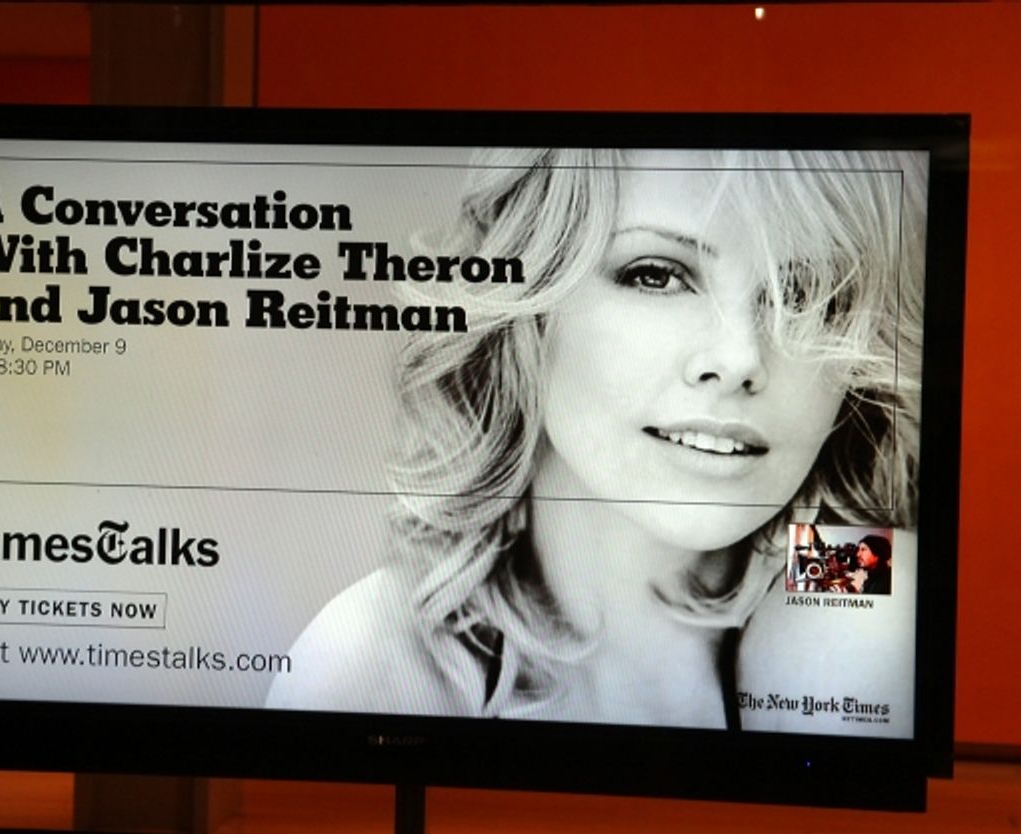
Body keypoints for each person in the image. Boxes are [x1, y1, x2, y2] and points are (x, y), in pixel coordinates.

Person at [266, 147, 925, 728]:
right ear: (530, 307)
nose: (741, 357)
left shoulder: (855, 571)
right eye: (657, 274)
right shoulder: (377, 660)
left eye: (809, 294)